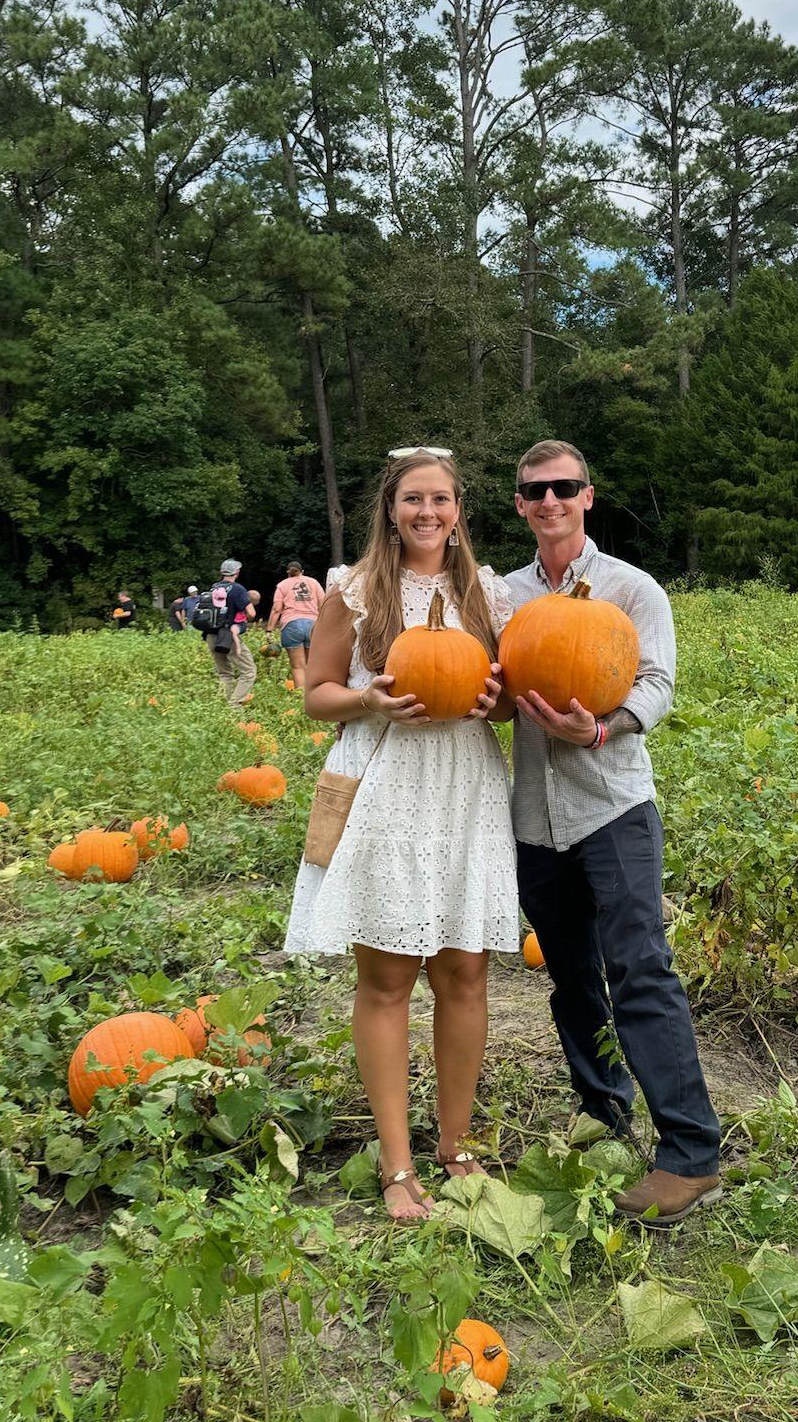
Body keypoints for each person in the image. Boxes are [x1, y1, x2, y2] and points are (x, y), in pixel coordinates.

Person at [285, 448, 517, 1221]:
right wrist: (370, 701)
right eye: (413, 499)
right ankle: (396, 1161)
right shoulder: (353, 591)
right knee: (386, 980)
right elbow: (315, 696)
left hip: (463, 785)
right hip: (386, 784)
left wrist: (494, 701)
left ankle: (456, 1146)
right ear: (390, 508)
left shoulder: (485, 591)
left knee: (465, 975)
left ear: (459, 511)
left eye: (441, 499)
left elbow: (510, 696)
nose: (428, 512)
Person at [506, 439, 722, 1227]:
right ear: (521, 503)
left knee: (640, 968)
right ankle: (603, 1110)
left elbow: (657, 684)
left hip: (613, 806)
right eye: (536, 490)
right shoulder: (504, 596)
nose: (550, 500)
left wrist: (599, 728)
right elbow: (490, 682)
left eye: (564, 487)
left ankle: (691, 1152)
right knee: (570, 974)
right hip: (534, 813)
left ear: (588, 496)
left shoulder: (632, 589)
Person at [202, 560, 255, 706]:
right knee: (249, 671)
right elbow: (251, 613)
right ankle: (234, 705)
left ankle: (224, 707)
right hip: (228, 636)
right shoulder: (238, 590)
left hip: (211, 635)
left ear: (222, 572)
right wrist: (242, 616)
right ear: (237, 573)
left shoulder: (213, 588)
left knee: (225, 673)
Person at [269, 559, 326, 689]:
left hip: (291, 624)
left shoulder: (282, 585)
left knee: (297, 666)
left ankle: (300, 698)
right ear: (302, 572)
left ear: (288, 572)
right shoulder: (314, 582)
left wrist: (269, 630)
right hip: (313, 624)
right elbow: (324, 605)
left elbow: (277, 609)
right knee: (311, 664)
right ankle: (313, 695)